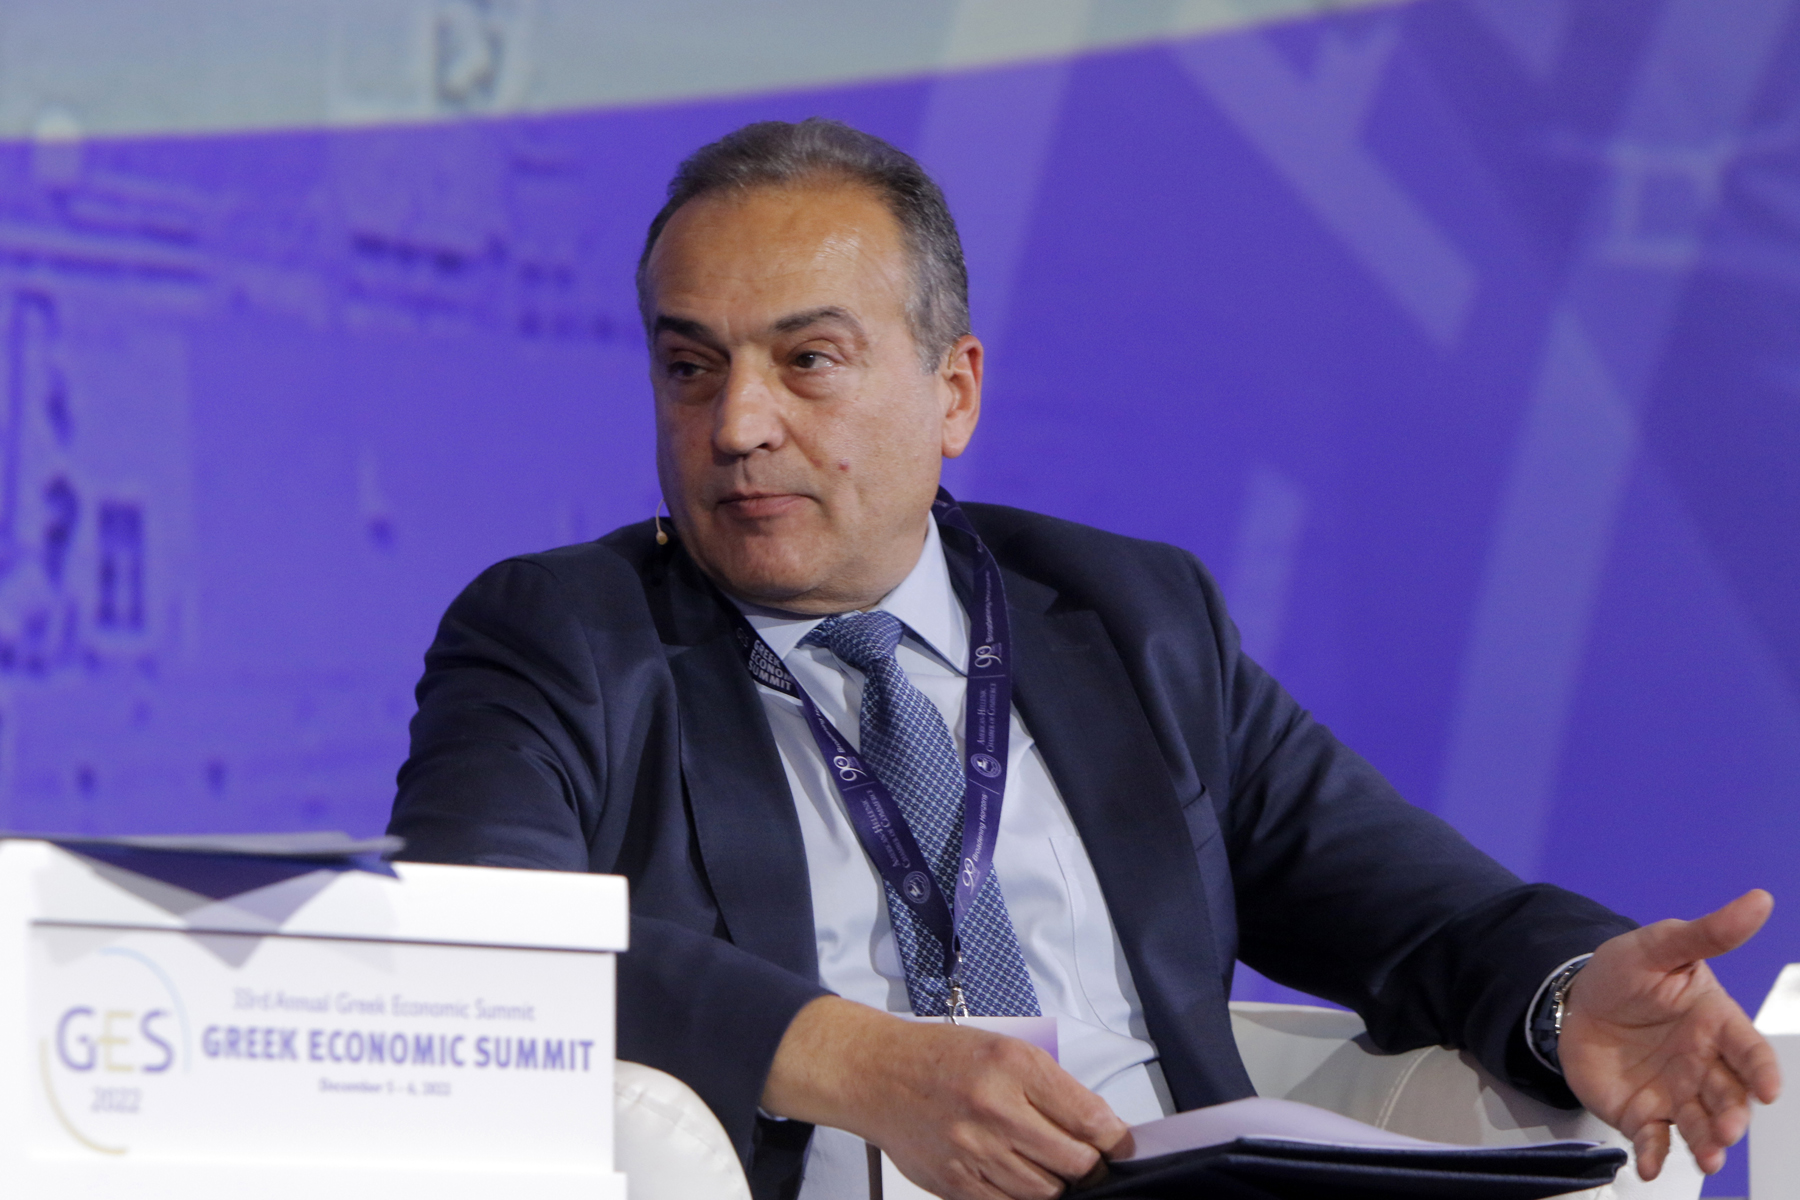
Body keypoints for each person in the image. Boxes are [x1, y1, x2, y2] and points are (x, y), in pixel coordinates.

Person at [388, 119, 1779, 1200]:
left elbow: (1426, 915)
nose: (738, 423)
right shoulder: (563, 637)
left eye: (808, 361)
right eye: (691, 368)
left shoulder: (1128, 617)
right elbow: (476, 944)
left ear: (953, 393)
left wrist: (1569, 993)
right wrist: (862, 1064)